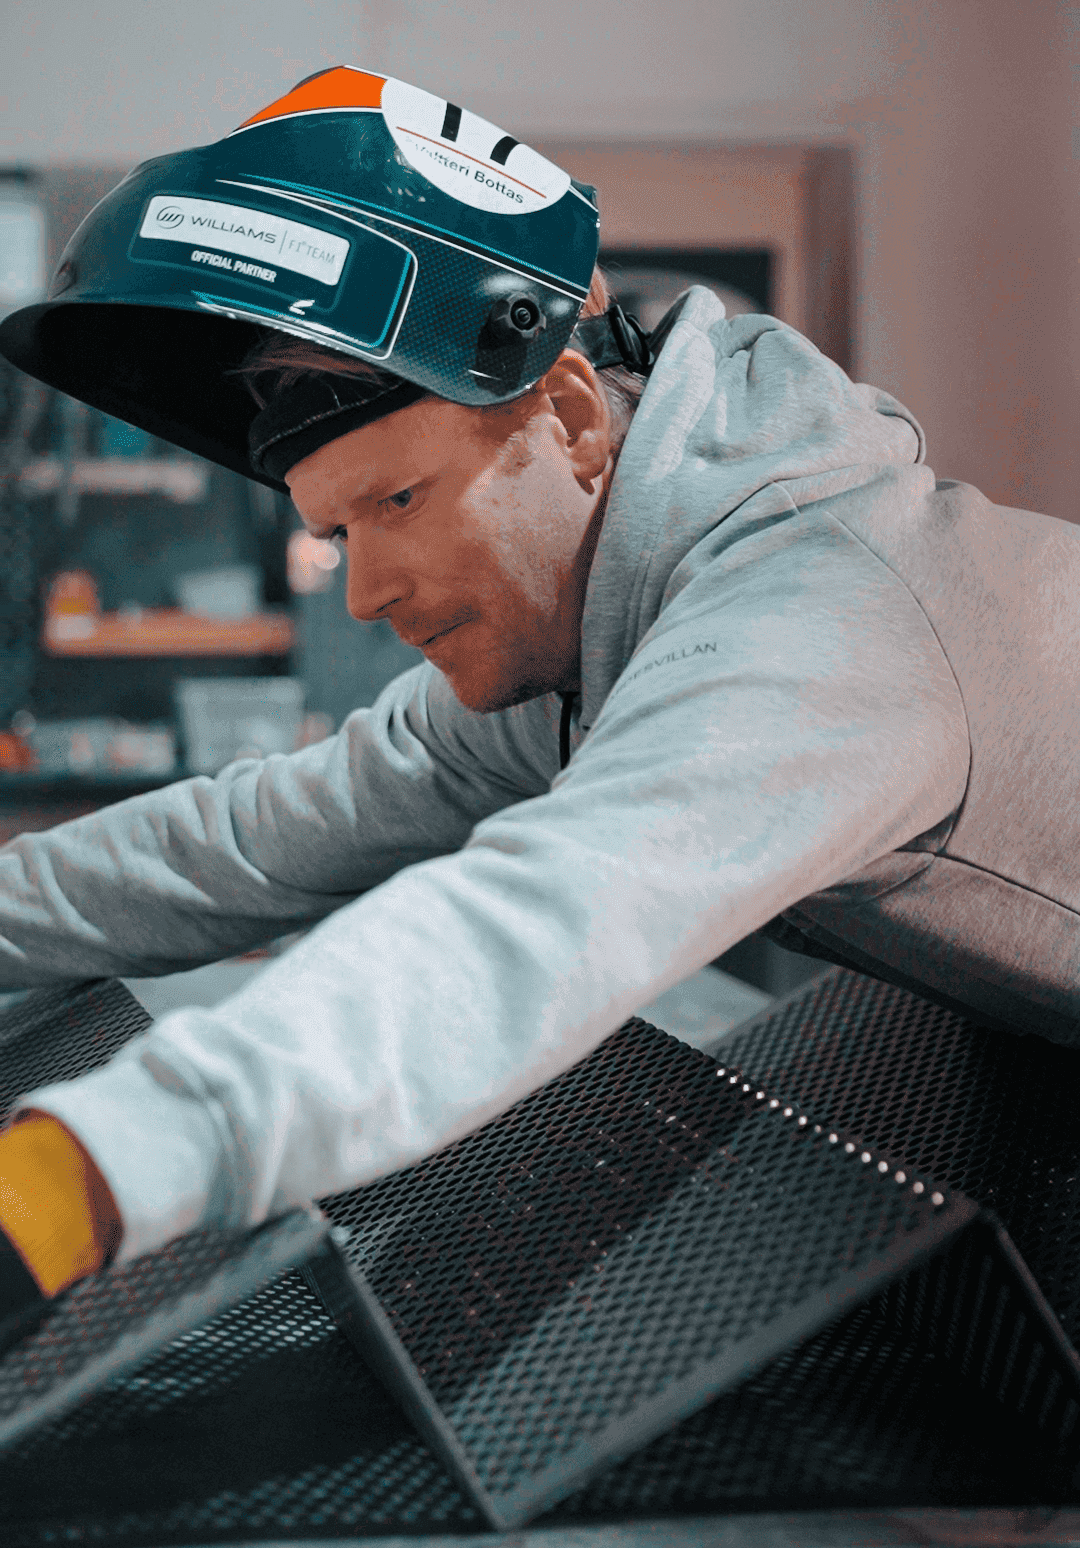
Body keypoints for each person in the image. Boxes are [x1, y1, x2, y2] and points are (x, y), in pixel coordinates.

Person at [0, 66, 1077, 1345]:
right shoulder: (589, 638)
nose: (367, 590)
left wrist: (70, 1184)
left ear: (568, 418)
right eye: (338, 533)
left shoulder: (828, 620)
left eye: (397, 503)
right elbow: (253, 837)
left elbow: (522, 931)